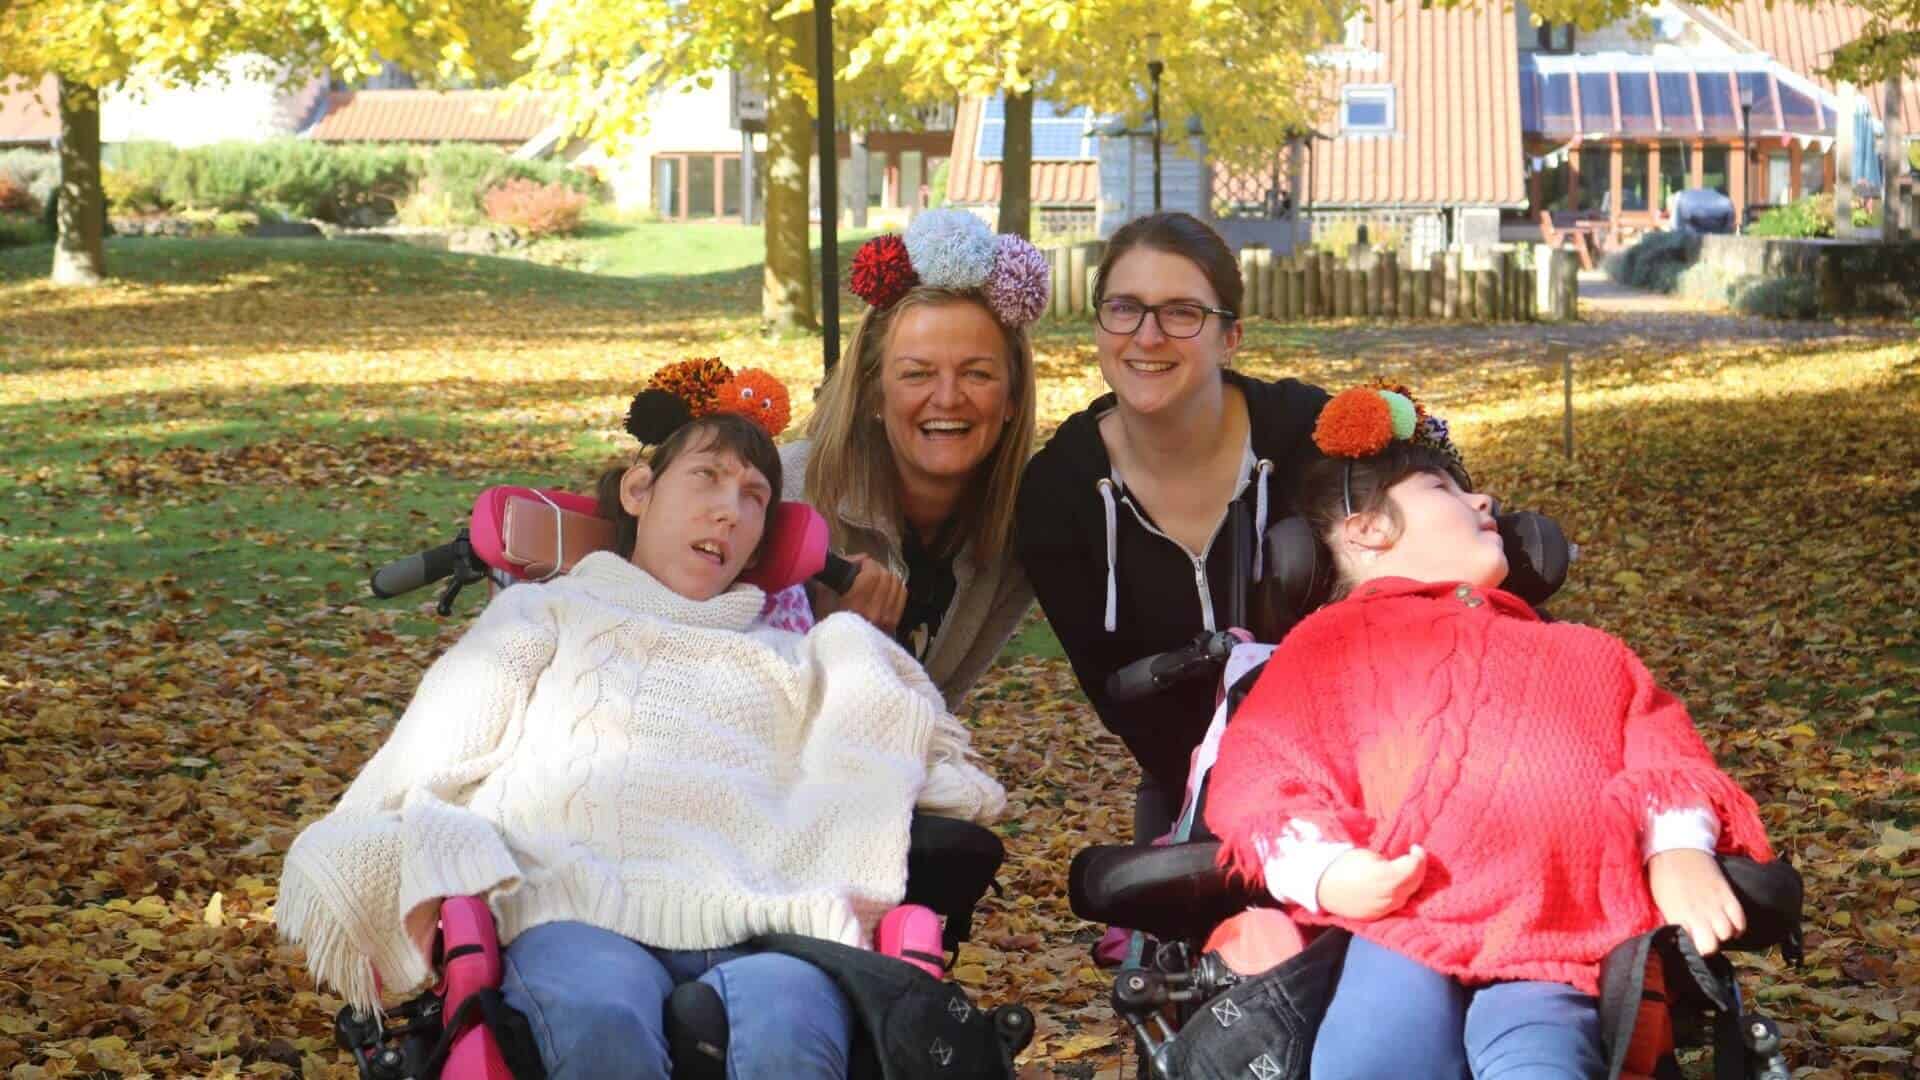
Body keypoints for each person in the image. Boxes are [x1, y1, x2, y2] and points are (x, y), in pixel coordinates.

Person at [277, 403, 1006, 1080]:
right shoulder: (547, 615)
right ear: (638, 490)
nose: (729, 508)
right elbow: (434, 744)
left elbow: (903, 768)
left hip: (767, 921)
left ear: (763, 537)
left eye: (754, 497)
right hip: (576, 903)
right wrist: (367, 830)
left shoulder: (808, 658)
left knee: (789, 1028)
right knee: (600, 1016)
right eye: (708, 478)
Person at [1203, 383, 1774, 1079]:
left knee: (1543, 1064)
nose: (1485, 503)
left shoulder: (1588, 655)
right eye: (1444, 488)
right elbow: (1261, 772)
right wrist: (1330, 873)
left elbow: (1663, 754)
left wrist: (1678, 849)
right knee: (1370, 1062)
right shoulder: (1323, 650)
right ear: (1368, 530)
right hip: (1398, 927)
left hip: (1554, 937)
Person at [1015, 211, 1328, 842]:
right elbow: (1118, 696)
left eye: (1182, 312)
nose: (1148, 336)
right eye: (1125, 308)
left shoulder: (1309, 438)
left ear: (1230, 336)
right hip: (1190, 791)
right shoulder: (1061, 491)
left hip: (1351, 770)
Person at [786, 209, 1045, 711]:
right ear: (873, 394)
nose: (947, 399)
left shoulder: (1015, 536)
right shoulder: (782, 492)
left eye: (977, 374)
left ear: (1012, 397)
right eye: (916, 374)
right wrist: (836, 642)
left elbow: (932, 711)